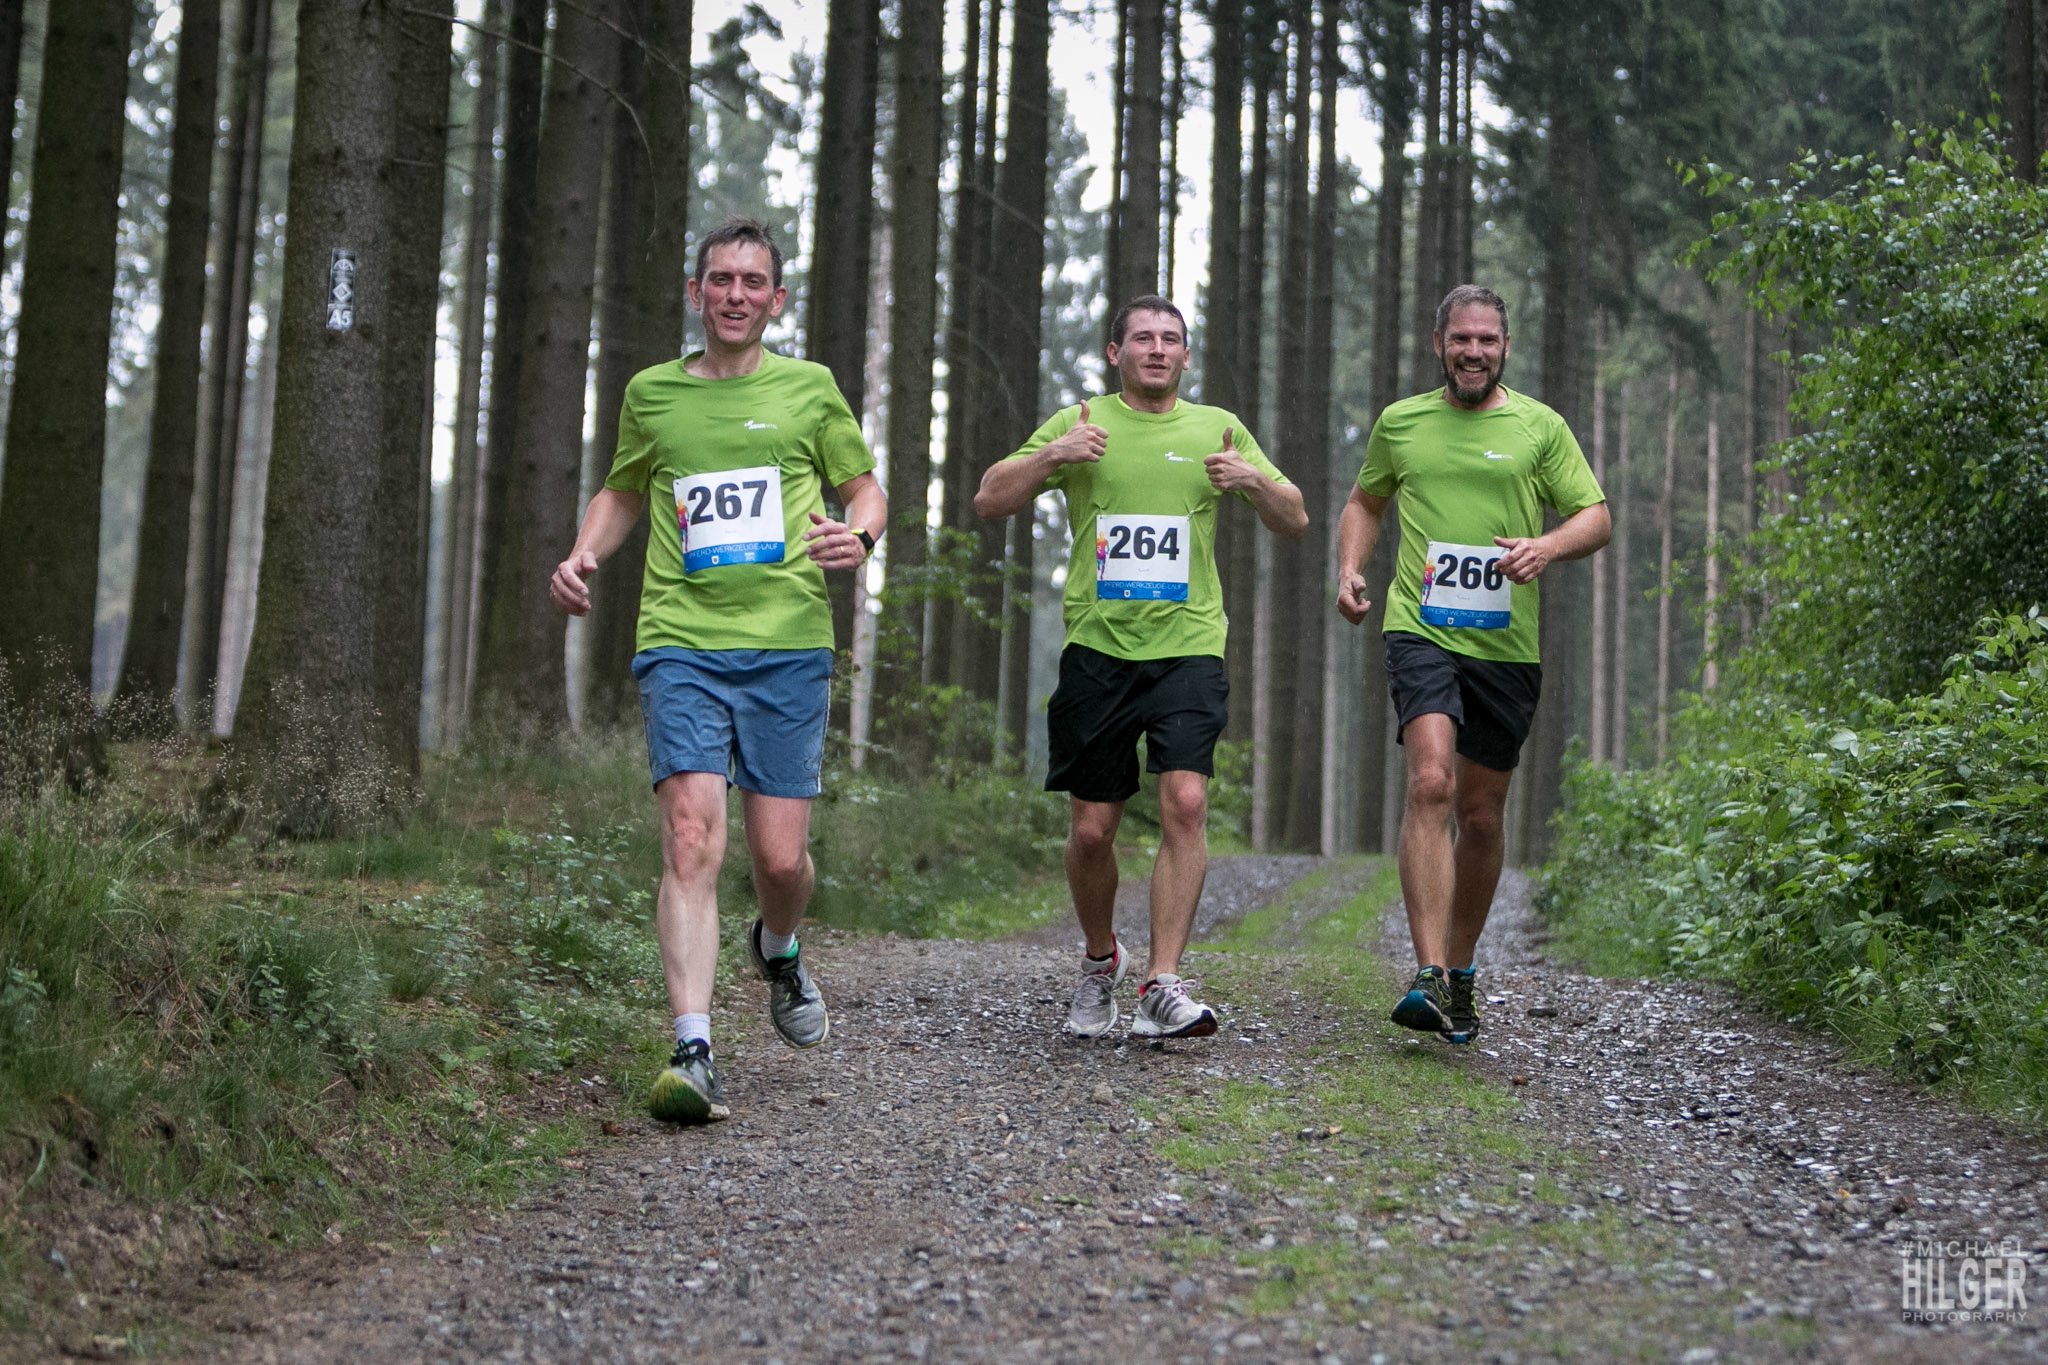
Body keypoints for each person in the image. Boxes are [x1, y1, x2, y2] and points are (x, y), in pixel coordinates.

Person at [550, 217, 886, 1123]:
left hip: (788, 645)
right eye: (721, 280)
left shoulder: (809, 389)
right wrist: (583, 553)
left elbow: (865, 490)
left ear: (777, 300)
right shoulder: (653, 393)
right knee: (693, 836)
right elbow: (624, 488)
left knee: (780, 859)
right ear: (696, 293)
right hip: (682, 640)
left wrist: (856, 537)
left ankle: (777, 944)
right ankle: (693, 1050)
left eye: (753, 281)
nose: (736, 294)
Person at [975, 295, 1306, 1040]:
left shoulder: (1217, 428)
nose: (1157, 349)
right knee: (1093, 831)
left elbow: (1294, 517)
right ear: (1114, 352)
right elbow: (990, 497)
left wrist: (1251, 480)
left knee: (1185, 801)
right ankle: (1102, 962)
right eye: (1143, 338)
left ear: (1186, 355)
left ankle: (1163, 980)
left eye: (1170, 339)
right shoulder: (1082, 420)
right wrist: (1054, 456)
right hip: (1099, 648)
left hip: (1189, 644)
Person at [1334, 284, 1609, 1045]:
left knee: (1481, 815)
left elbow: (1595, 516)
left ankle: (1460, 971)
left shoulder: (1539, 427)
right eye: (1462, 339)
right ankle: (1427, 973)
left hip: (1505, 645)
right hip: (1420, 628)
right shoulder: (1402, 423)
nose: (1474, 352)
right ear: (1439, 345)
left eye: (1488, 340)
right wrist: (1351, 567)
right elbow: (1364, 501)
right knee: (1431, 780)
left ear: (1506, 348)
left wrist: (1546, 546)